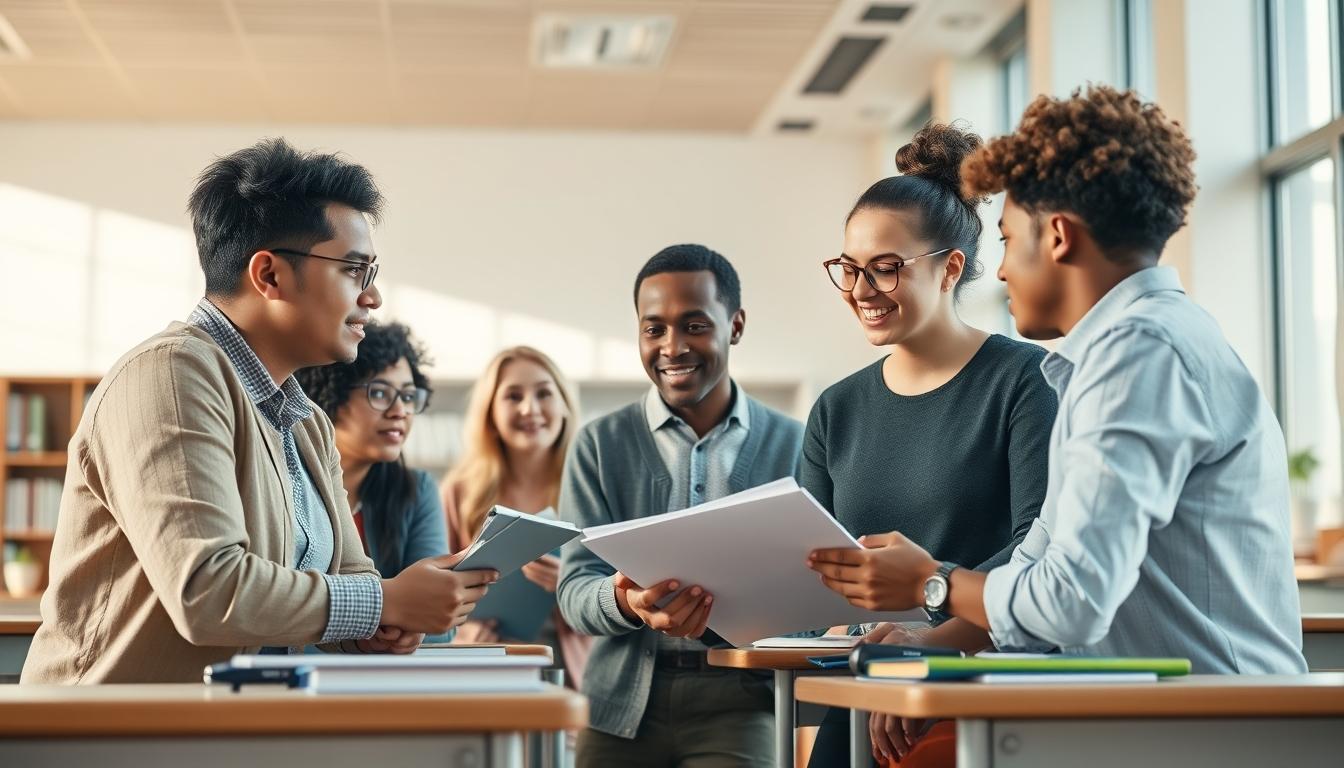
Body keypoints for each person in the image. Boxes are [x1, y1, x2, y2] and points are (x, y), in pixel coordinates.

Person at [808, 86, 1308, 767]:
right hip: (1164, 721)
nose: (1004, 269)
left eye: (1009, 240)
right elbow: (1043, 556)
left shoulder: (1141, 354)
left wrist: (931, 584)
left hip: (1207, 733)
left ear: (1059, 236)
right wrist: (921, 637)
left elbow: (1069, 600)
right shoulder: (1115, 354)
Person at [22, 139, 495, 684]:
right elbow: (207, 590)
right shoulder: (170, 374)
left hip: (227, 730)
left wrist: (384, 621)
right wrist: (383, 602)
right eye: (354, 271)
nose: (372, 297)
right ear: (269, 275)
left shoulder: (308, 423)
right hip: (104, 736)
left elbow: (350, 576)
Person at [804, 123, 1056, 767]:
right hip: (864, 686)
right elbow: (808, 558)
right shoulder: (837, 408)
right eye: (849, 269)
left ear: (950, 269)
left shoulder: (1024, 381)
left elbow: (1041, 545)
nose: (861, 290)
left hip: (973, 679)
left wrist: (934, 635)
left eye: (886, 269)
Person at [557, 244, 803, 767]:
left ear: (734, 326)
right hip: (619, 705)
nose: (673, 346)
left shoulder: (795, 444)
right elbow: (575, 589)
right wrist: (627, 601)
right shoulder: (599, 444)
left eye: (695, 325)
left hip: (742, 701)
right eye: (654, 329)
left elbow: (813, 592)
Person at [441, 345, 593, 687]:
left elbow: (623, 596)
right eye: (513, 396)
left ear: (565, 406)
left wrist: (572, 585)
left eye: (544, 393)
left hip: (576, 672)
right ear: (490, 413)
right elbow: (434, 595)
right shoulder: (460, 493)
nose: (530, 408)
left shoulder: (590, 488)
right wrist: (464, 631)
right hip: (487, 669)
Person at [295, 321, 453, 644]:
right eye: (380, 393)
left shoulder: (416, 489)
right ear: (331, 393)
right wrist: (391, 612)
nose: (400, 411)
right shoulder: (291, 479)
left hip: (380, 678)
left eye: (409, 396)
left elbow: (441, 624)